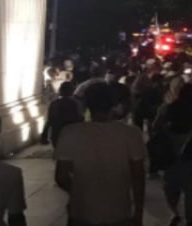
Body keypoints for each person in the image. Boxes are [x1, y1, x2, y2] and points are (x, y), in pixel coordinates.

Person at [55, 82, 146, 226]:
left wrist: (79, 192)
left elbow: (61, 177)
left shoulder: (70, 132)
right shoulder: (131, 134)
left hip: (81, 211)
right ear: (114, 103)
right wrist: (139, 212)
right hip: (118, 211)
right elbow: (138, 178)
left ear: (87, 104)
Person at [154, 83, 192, 225]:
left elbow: (156, 124)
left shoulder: (168, 108)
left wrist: (166, 132)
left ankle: (175, 213)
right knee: (190, 193)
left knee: (171, 187)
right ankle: (190, 220)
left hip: (171, 153)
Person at [43, 80, 84, 148]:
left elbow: (49, 120)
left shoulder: (54, 103)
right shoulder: (76, 103)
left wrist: (44, 135)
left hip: (57, 133)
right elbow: (80, 118)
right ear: (72, 91)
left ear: (60, 91)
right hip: (72, 132)